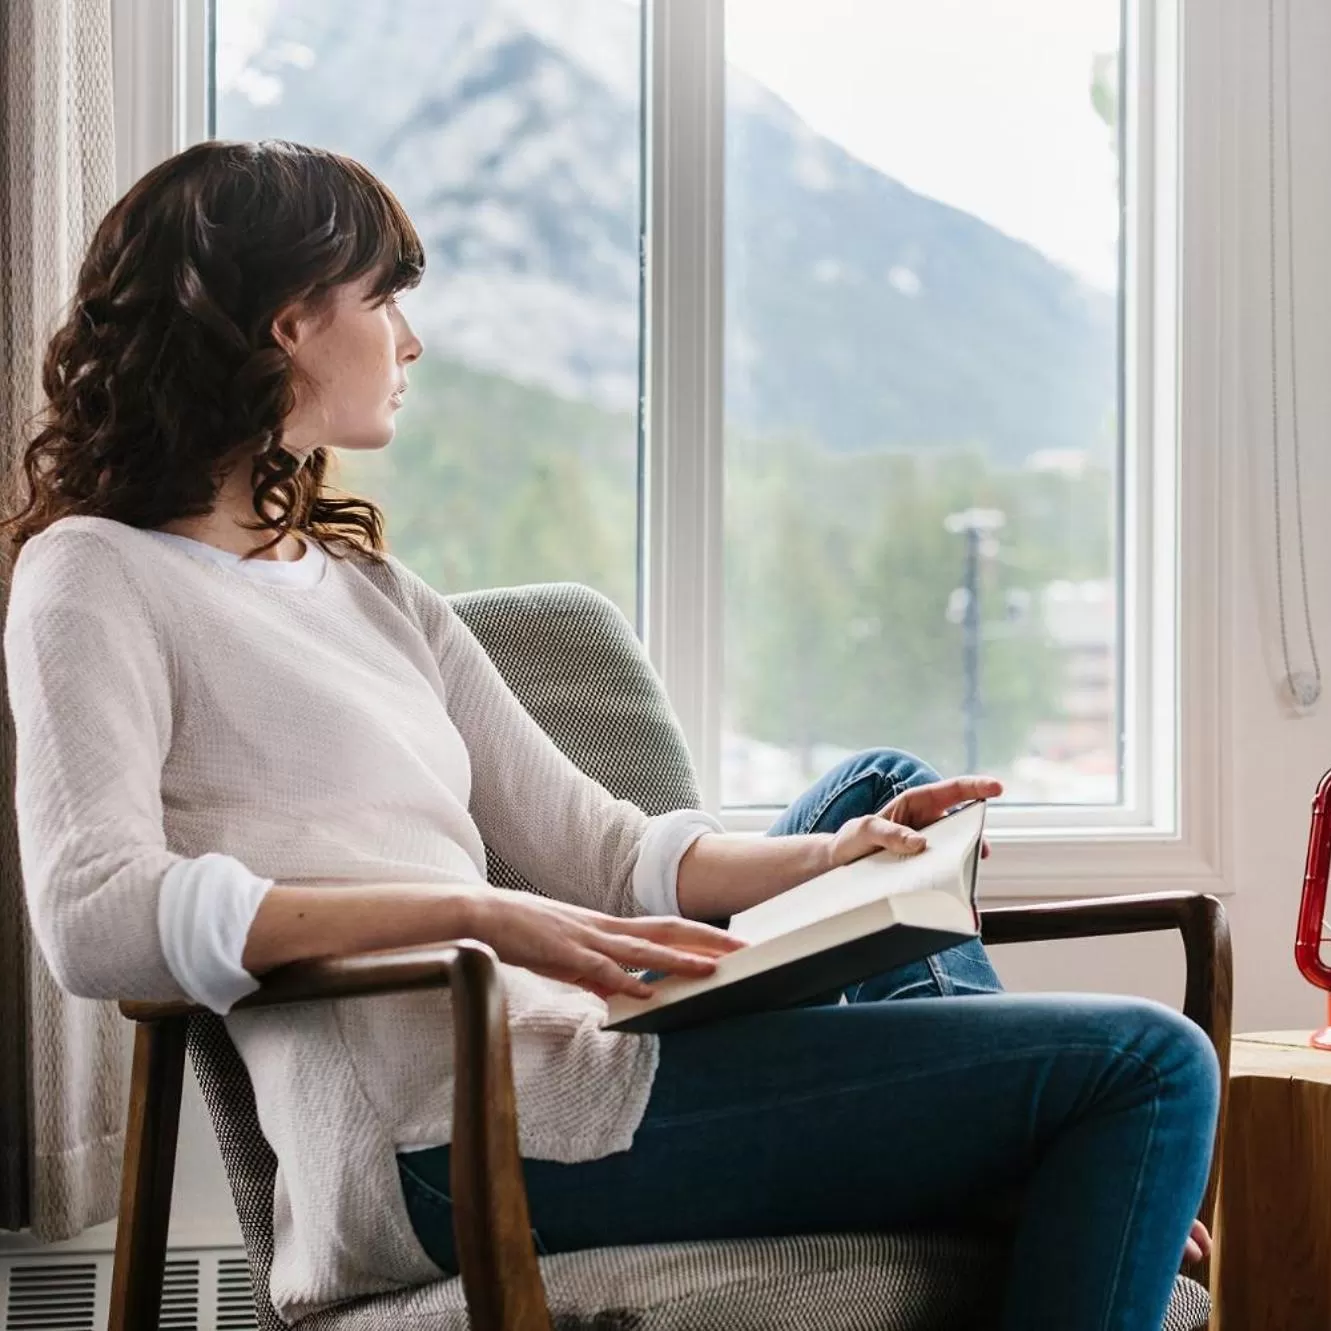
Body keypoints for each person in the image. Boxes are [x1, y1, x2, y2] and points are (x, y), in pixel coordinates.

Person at [3, 139, 1217, 1330]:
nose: (410, 340)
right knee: (1150, 1067)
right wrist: (472, 911)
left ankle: (989, 1133)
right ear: (287, 322)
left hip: (588, 1050)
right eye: (384, 301)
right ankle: (1006, 1145)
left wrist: (828, 859)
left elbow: (602, 848)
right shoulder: (93, 574)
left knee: (879, 791)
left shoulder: (370, 590)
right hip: (450, 1135)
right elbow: (95, 911)